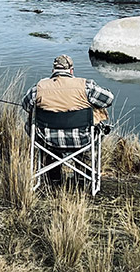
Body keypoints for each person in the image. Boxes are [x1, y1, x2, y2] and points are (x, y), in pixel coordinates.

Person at [22, 54, 114, 186]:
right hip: (83, 139)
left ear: (53, 70)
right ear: (71, 70)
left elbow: (25, 105)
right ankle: (83, 178)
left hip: (48, 139)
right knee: (93, 131)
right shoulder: (85, 85)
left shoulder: (39, 88)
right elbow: (108, 99)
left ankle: (54, 179)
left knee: (32, 126)